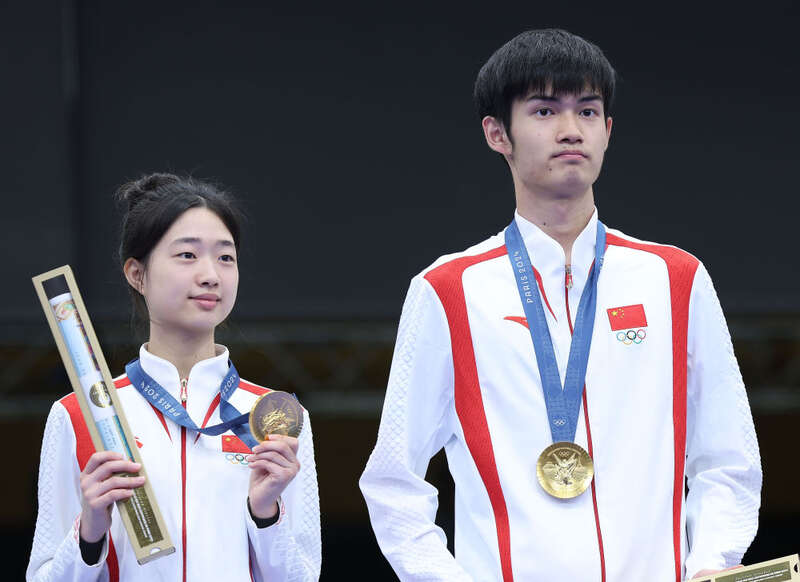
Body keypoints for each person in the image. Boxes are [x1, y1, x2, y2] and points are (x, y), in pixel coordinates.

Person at [359, 29, 761, 582]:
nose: (571, 130)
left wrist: (711, 566)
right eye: (545, 110)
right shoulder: (448, 290)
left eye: (588, 111)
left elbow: (728, 460)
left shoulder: (675, 278)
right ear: (497, 133)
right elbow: (393, 481)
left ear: (608, 130)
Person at [27, 173, 321, 581]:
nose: (211, 275)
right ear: (137, 273)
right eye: (187, 255)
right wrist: (90, 533)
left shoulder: (274, 418)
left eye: (225, 257)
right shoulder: (80, 415)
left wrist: (265, 513)